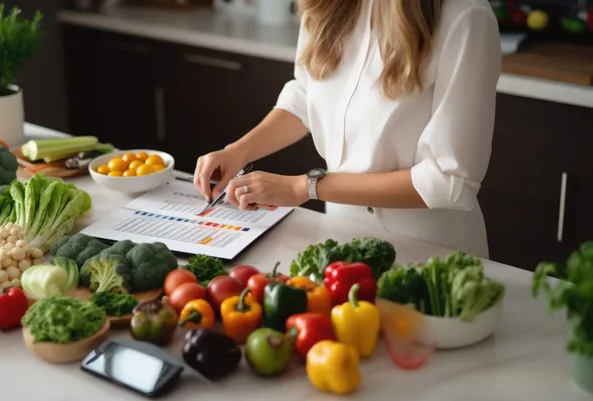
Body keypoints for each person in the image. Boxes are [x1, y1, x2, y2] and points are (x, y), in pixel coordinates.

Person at [193, 0, 501, 257]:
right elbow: (305, 96)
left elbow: (448, 179)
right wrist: (237, 151)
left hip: (431, 257)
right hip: (339, 242)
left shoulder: (466, 16)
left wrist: (304, 188)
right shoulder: (325, 5)